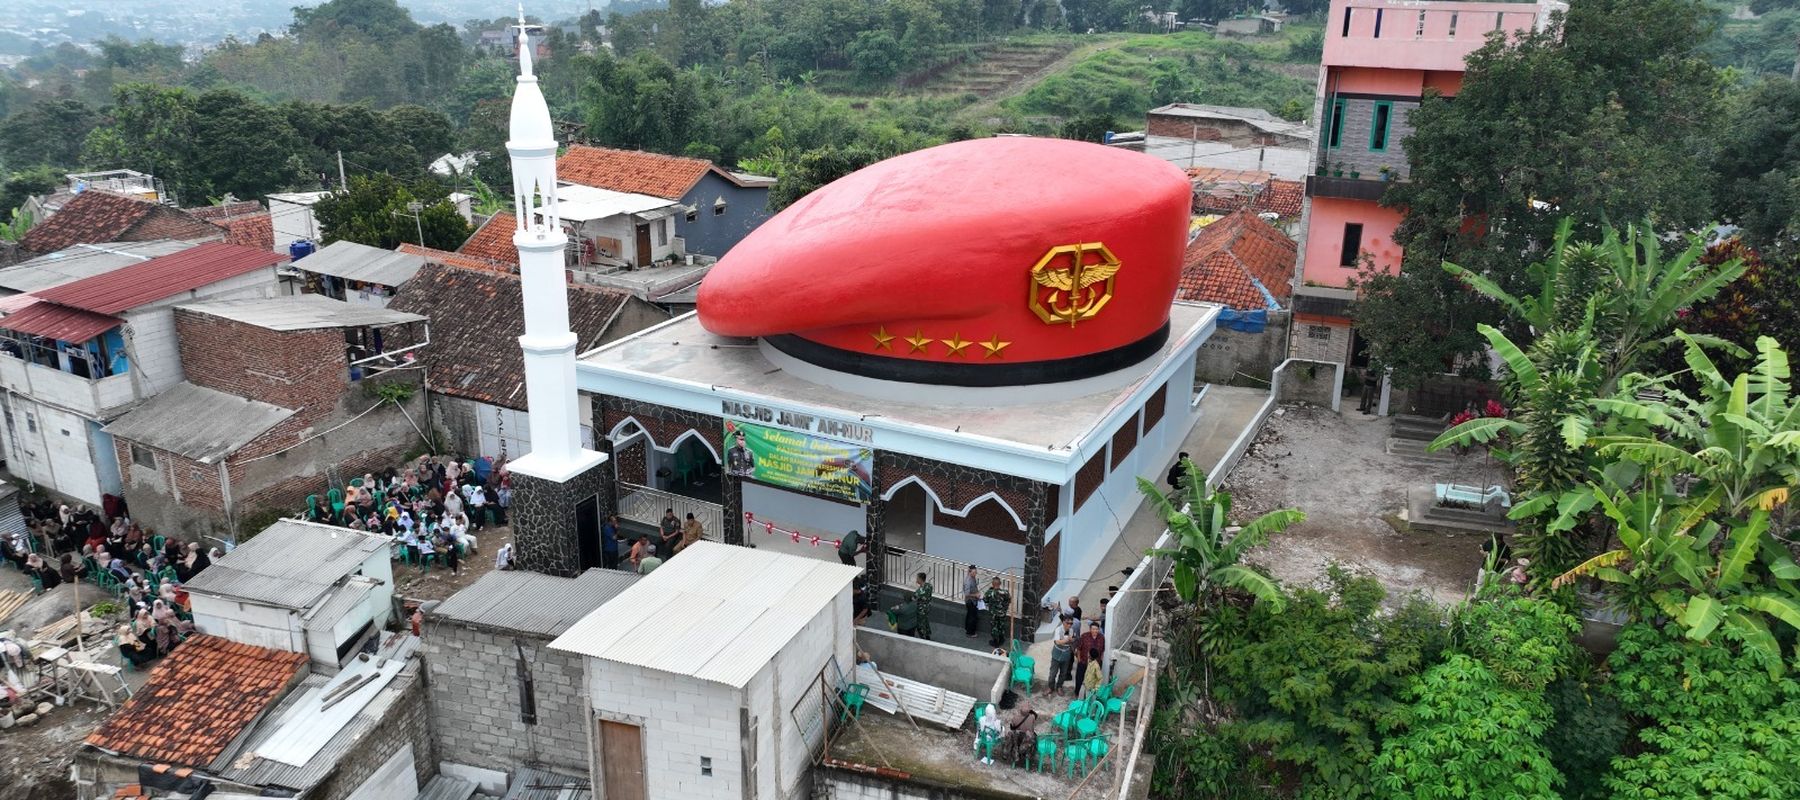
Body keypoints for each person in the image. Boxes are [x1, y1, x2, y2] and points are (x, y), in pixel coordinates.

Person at [1075, 622, 1106, 694]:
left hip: (1095, 664)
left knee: (1092, 680)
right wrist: (1079, 660)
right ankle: (1077, 693)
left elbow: (1102, 651)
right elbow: (1079, 649)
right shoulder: (1084, 636)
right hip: (1083, 662)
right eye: (1093, 629)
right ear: (1090, 629)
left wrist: (1100, 661)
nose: (1095, 631)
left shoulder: (1101, 638)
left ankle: (1088, 695)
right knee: (1079, 678)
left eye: (1096, 629)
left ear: (1099, 629)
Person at [1048, 618, 1076, 694]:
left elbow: (1072, 640)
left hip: (1066, 654)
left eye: (1071, 623)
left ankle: (1059, 687)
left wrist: (1072, 640)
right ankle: (1050, 687)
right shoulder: (1058, 629)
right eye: (1068, 623)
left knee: (1063, 673)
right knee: (1052, 673)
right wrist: (1067, 640)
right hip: (1057, 654)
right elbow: (1057, 642)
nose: (1069, 625)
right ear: (1063, 622)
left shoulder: (1071, 630)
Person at [983, 576, 1013, 649]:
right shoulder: (1005, 592)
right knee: (1001, 626)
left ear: (993, 584)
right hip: (1002, 613)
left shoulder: (990, 592)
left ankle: (996, 642)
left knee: (994, 627)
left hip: (994, 614)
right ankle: (1001, 639)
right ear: (1000, 584)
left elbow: (985, 600)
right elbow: (1009, 600)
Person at [912, 572, 933, 640]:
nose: (916, 580)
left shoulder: (920, 591)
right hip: (927, 608)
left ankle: (923, 638)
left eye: (917, 578)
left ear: (921, 579)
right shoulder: (929, 586)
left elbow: (913, 598)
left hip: (921, 609)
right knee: (925, 621)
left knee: (920, 624)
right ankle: (927, 636)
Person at [962, 565, 981, 639]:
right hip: (970, 601)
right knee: (972, 617)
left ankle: (967, 628)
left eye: (976, 572)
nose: (975, 573)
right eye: (974, 572)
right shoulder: (968, 581)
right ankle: (970, 633)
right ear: (970, 572)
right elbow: (967, 594)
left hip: (973, 600)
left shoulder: (973, 577)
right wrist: (976, 595)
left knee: (969, 615)